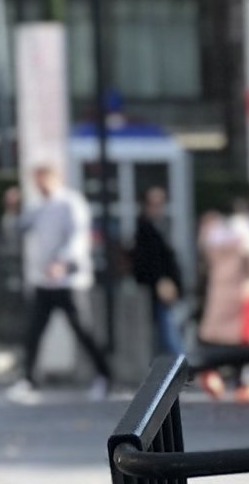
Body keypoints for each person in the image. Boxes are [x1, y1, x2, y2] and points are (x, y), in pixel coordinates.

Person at [14, 159, 111, 396]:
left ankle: (104, 376)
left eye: (43, 179)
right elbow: (20, 228)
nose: (40, 186)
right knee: (34, 331)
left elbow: (78, 237)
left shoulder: (71, 203)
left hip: (70, 281)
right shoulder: (38, 206)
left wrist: (62, 261)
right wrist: (12, 208)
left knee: (82, 330)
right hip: (44, 281)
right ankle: (30, 380)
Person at [195, 198, 249, 358]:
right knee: (234, 337)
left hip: (220, 288)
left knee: (216, 333)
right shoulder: (241, 231)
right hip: (237, 288)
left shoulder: (212, 236)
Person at [127, 182, 188, 361]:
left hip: (163, 288)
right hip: (157, 290)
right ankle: (182, 370)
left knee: (168, 332)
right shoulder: (145, 229)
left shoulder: (160, 226)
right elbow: (150, 261)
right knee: (168, 334)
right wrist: (161, 281)